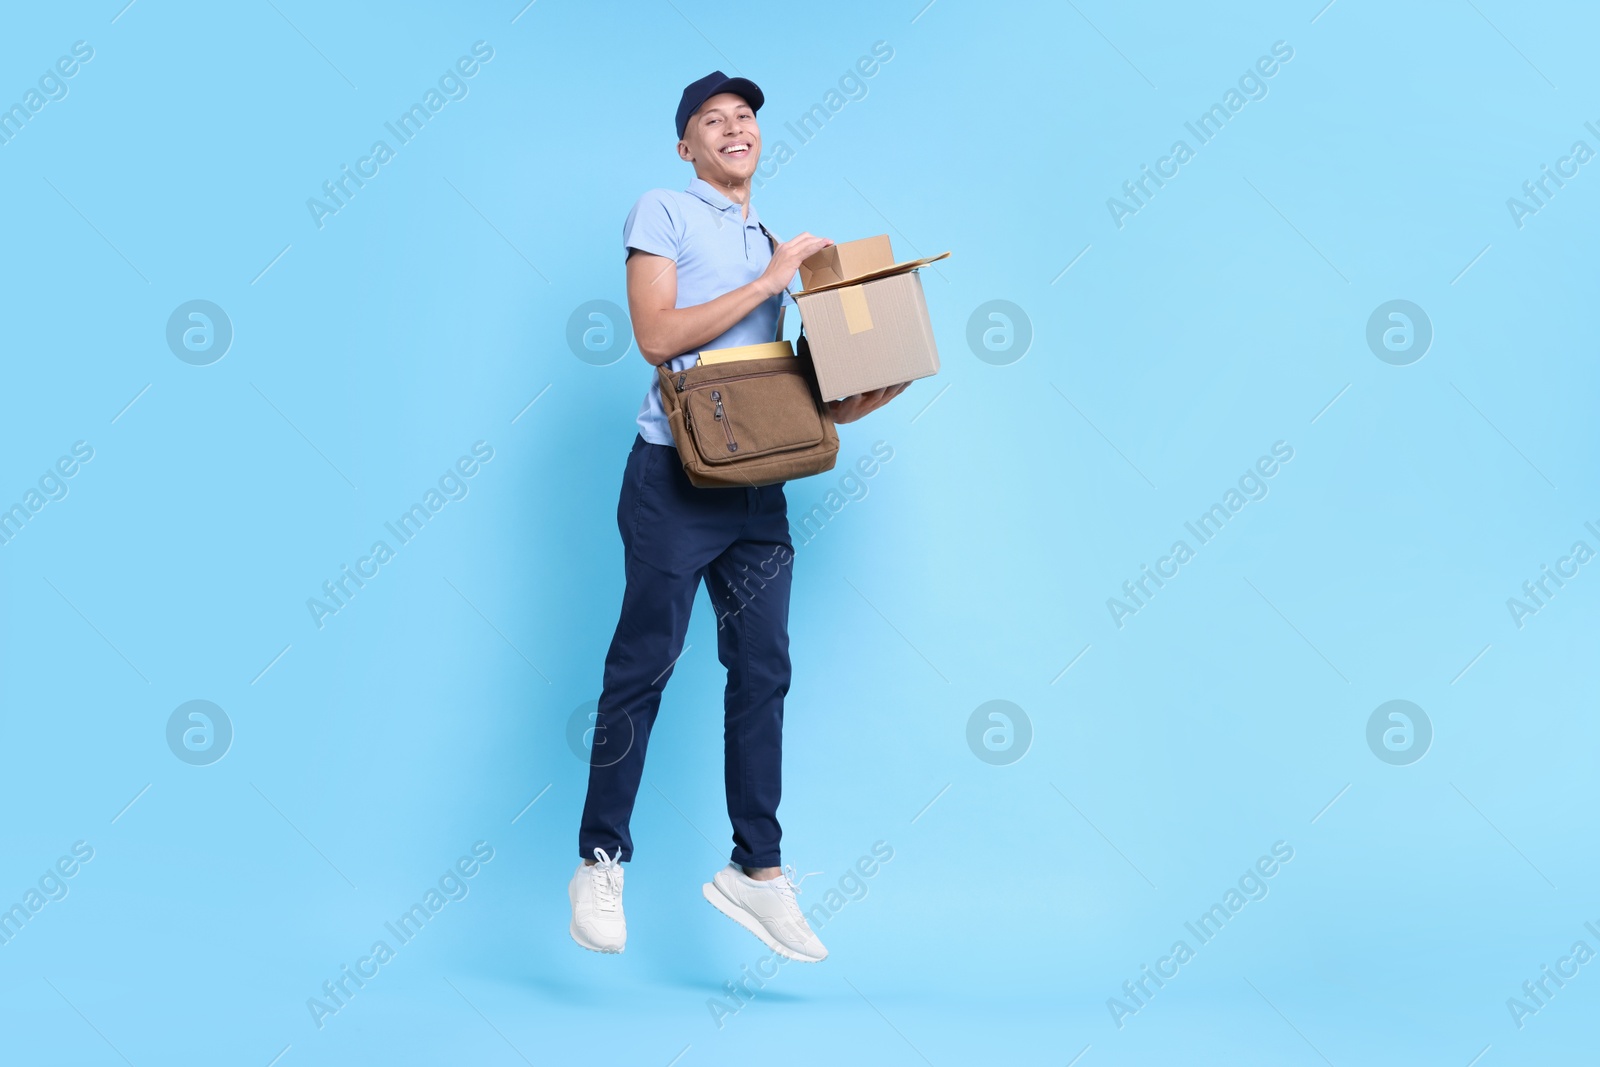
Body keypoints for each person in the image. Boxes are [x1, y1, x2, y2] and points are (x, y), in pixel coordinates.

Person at [569, 71, 906, 960]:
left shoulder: (768, 235)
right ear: (686, 147)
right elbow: (657, 338)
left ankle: (757, 872)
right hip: (674, 482)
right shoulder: (665, 213)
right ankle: (600, 858)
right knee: (642, 668)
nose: (733, 128)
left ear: (761, 139)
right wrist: (773, 276)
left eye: (745, 117)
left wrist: (870, 386)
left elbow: (783, 393)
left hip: (757, 485)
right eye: (711, 121)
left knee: (764, 673)